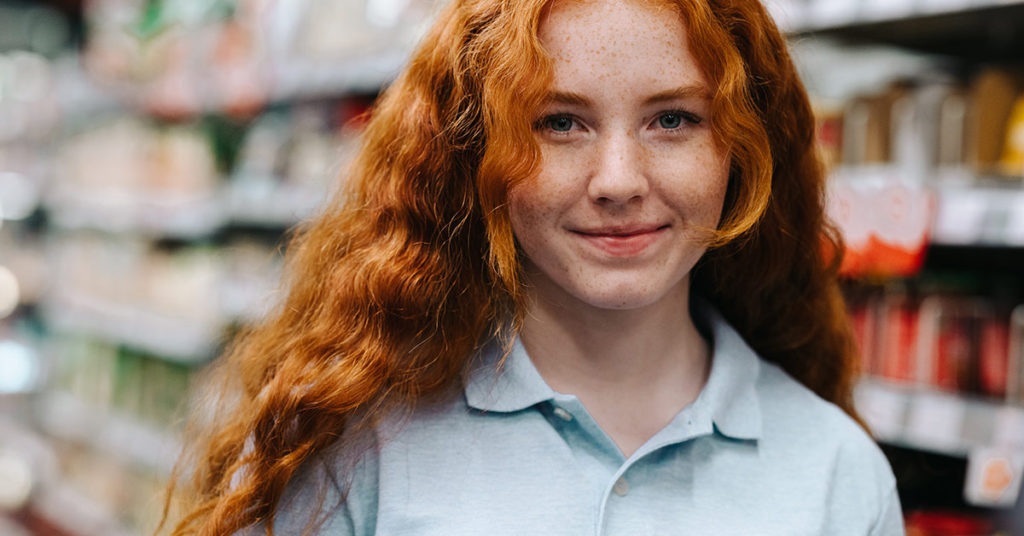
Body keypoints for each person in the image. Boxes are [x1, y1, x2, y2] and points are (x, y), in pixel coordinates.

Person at [163, 0, 904, 534]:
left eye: (673, 119)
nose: (619, 181)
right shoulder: (354, 446)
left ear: (742, 149)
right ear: (473, 155)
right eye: (559, 123)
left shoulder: (837, 471)